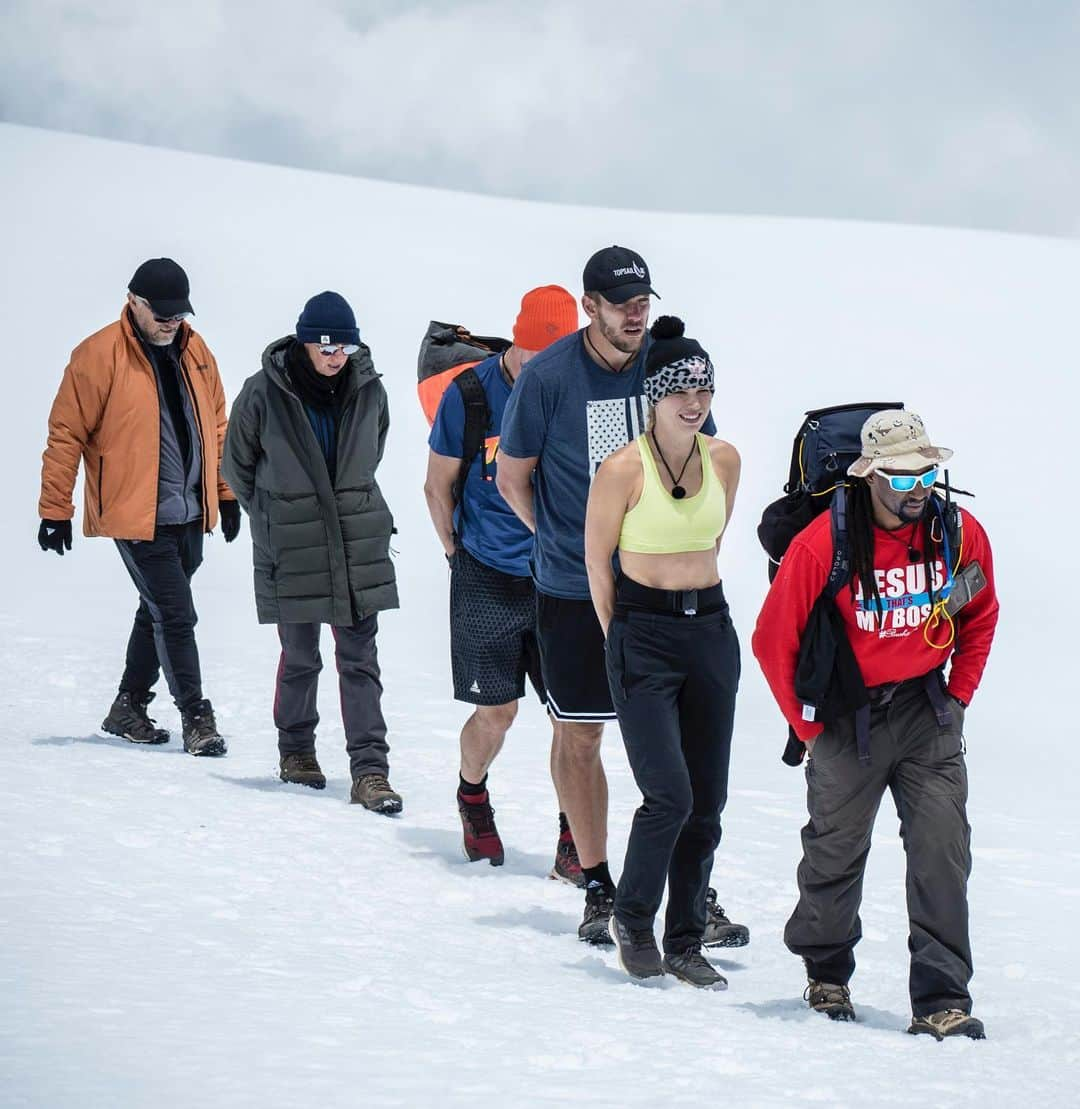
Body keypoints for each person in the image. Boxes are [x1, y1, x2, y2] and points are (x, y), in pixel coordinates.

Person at [498, 247, 746, 949]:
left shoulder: (668, 365)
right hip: (574, 590)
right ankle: (598, 881)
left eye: (643, 302)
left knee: (676, 756)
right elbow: (513, 476)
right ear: (590, 307)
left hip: (660, 595)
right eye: (621, 304)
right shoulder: (548, 378)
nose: (637, 314)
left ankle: (691, 892)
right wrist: (564, 542)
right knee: (580, 733)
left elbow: (705, 467)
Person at [753, 410, 999, 1039]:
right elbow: (771, 641)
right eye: (902, 474)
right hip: (845, 716)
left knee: (943, 849)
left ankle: (943, 999)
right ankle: (827, 971)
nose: (919, 486)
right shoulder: (822, 544)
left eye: (928, 471)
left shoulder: (958, 532)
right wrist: (807, 729)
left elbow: (981, 615)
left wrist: (960, 695)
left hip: (927, 711)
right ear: (869, 476)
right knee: (835, 852)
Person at [584, 317, 742, 988]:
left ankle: (684, 940)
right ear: (655, 394)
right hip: (642, 633)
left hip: (709, 628)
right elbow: (597, 561)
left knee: (707, 800)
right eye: (680, 388)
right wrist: (622, 639)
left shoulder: (724, 459)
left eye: (703, 387)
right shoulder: (623, 467)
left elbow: (712, 537)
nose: (693, 401)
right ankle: (633, 915)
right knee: (668, 794)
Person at [38, 257, 238, 756]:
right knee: (176, 612)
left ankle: (128, 705)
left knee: (158, 610)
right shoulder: (97, 355)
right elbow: (65, 435)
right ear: (134, 302)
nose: (173, 322)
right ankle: (197, 716)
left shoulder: (196, 351)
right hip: (134, 513)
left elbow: (217, 426)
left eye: (180, 314)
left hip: (190, 511)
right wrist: (54, 508)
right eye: (163, 313)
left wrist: (226, 493)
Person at [424, 286, 585, 872]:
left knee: (571, 718)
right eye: (533, 352)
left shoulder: (575, 392)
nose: (542, 365)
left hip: (559, 579)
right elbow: (436, 485)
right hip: (486, 574)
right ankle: (472, 795)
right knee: (498, 712)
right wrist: (455, 555)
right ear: (516, 340)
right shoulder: (469, 395)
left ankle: (575, 838)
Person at [221, 291, 402, 813]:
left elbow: (374, 451)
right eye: (324, 346)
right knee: (301, 657)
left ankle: (371, 771)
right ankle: (296, 751)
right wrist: (276, 514)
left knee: (359, 659)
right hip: (292, 541)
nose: (333, 355)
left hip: (355, 539)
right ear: (303, 343)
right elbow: (237, 467)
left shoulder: (370, 392)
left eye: (342, 346)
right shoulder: (262, 392)